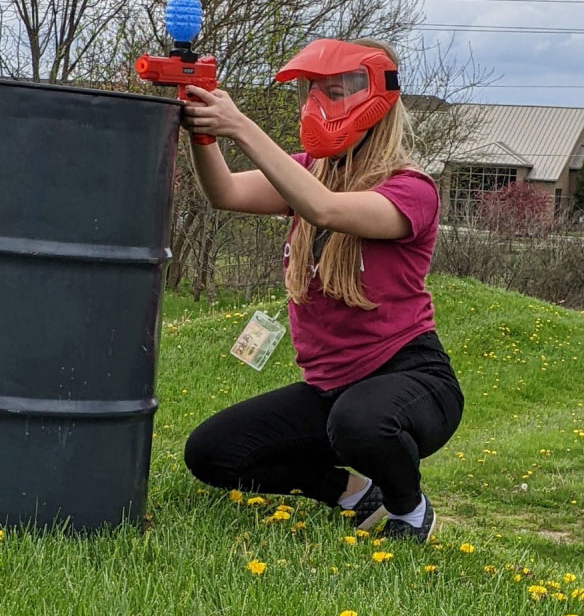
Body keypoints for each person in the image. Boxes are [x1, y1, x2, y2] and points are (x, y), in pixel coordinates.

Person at [176, 39, 463, 542]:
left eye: (334, 91)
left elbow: (323, 208)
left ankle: (409, 511)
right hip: (328, 391)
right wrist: (204, 133)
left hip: (411, 380)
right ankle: (352, 493)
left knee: (360, 424)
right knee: (211, 453)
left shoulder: (411, 189)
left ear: (376, 100)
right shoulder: (307, 170)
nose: (317, 104)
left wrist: (240, 124)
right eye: (313, 92)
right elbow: (224, 193)